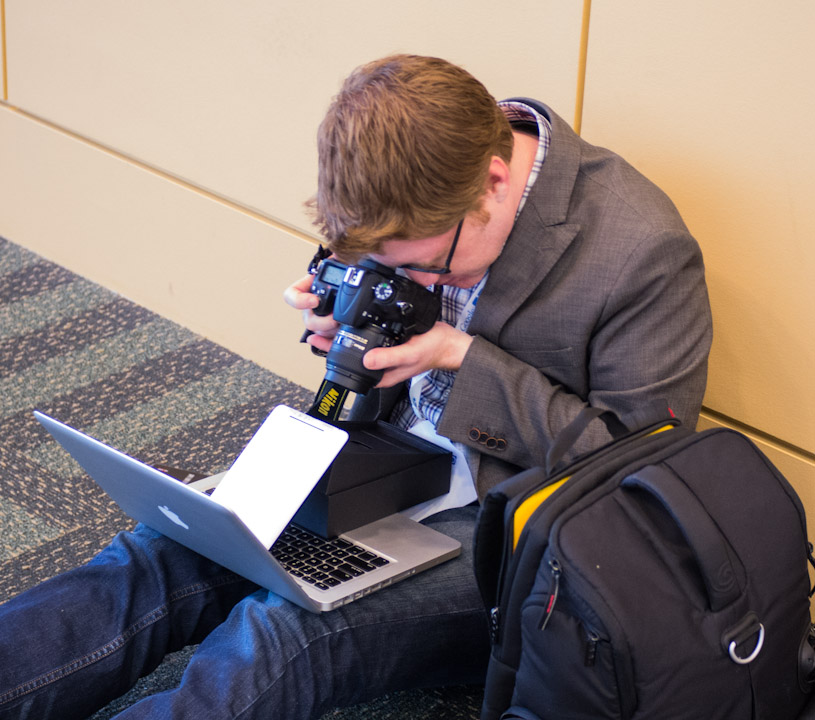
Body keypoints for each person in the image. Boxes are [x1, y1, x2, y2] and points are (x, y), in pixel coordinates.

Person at [0, 54, 712, 719]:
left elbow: (640, 472)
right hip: (379, 457)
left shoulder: (637, 248)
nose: (422, 282)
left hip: (513, 528)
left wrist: (462, 358)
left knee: (284, 631)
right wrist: (345, 323)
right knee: (161, 551)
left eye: (431, 267)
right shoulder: (408, 170)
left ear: (495, 181)